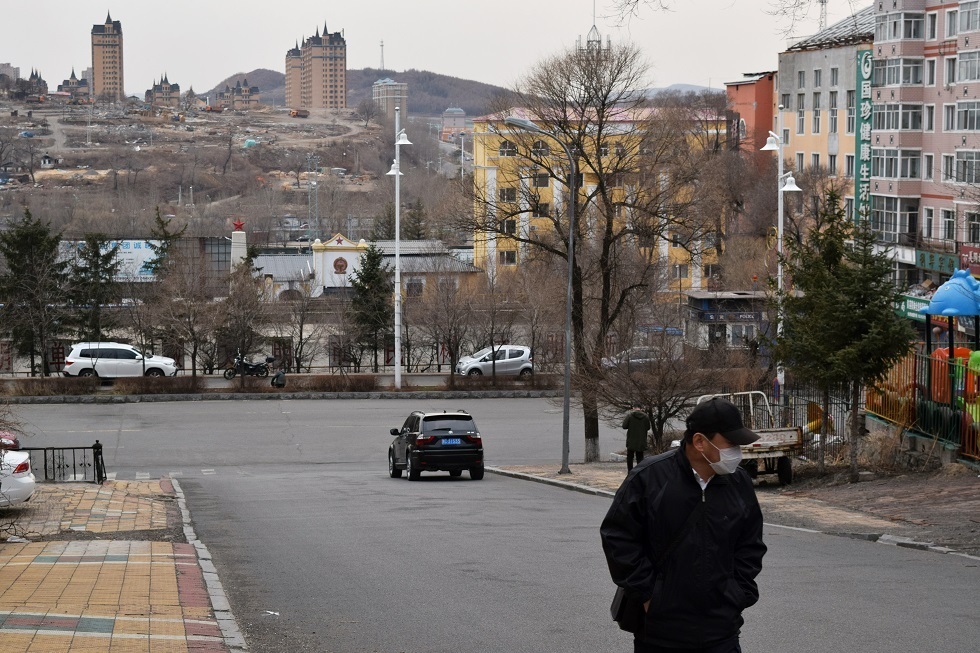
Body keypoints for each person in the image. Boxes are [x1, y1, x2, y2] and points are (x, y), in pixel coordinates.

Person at [600, 396, 767, 653]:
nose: (737, 453)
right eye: (731, 444)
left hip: (721, 629)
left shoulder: (738, 482)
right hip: (661, 631)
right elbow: (618, 537)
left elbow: (750, 544)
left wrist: (737, 593)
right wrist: (649, 595)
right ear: (700, 441)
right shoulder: (649, 478)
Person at [621, 406, 651, 472]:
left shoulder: (629, 416)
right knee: (640, 457)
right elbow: (648, 427)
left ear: (633, 408)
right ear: (641, 408)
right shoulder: (645, 416)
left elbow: (624, 426)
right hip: (641, 440)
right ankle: (639, 472)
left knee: (630, 457)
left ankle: (630, 472)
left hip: (631, 440)